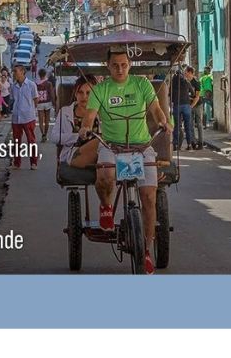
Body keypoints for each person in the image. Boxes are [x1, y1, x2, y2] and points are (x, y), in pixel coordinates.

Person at [74, 47, 172, 274]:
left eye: (124, 65)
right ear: (108, 66)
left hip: (142, 147)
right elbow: (89, 116)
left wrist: (163, 122)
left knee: (148, 197)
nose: (120, 69)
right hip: (111, 146)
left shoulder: (142, 85)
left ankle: (146, 250)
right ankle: (106, 206)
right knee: (105, 176)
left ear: (130, 65)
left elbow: (156, 110)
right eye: (115, 65)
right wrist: (86, 127)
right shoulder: (101, 89)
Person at [50, 75, 98, 165]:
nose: (84, 96)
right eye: (80, 92)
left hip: (100, 155)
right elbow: (54, 137)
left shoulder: (102, 112)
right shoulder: (65, 112)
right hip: (74, 153)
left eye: (88, 93)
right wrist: (76, 137)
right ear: (75, 94)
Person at [9, 64, 39, 169]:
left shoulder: (31, 85)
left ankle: (33, 162)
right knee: (16, 141)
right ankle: (17, 163)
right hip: (16, 116)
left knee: (31, 140)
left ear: (22, 72)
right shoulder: (13, 86)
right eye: (14, 72)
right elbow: (13, 99)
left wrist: (32, 111)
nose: (14, 74)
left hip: (28, 117)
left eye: (16, 71)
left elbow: (36, 99)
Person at [170, 63, 197, 150]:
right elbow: (193, 93)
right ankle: (189, 144)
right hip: (186, 105)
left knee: (177, 126)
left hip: (177, 105)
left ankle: (176, 145)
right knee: (187, 126)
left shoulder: (173, 82)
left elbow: (169, 94)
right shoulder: (186, 81)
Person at [35, 67, 54, 142]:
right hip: (47, 102)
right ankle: (45, 134)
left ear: (39, 75)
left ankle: (42, 133)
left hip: (39, 103)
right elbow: (52, 93)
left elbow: (34, 95)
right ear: (45, 74)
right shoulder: (49, 83)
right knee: (47, 120)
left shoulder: (36, 84)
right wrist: (54, 103)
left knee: (40, 120)